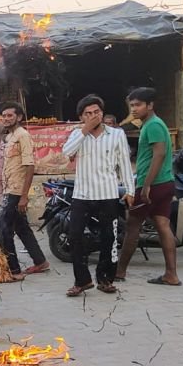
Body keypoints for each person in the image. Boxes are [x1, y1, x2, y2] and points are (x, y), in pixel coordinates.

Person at [61, 95, 135, 297]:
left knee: (109, 238)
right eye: (88, 114)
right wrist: (84, 130)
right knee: (74, 236)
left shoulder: (116, 134)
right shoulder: (77, 134)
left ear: (102, 113)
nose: (94, 116)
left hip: (108, 194)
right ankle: (82, 281)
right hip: (82, 195)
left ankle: (105, 279)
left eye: (97, 112)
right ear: (81, 117)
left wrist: (130, 190)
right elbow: (66, 151)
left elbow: (124, 164)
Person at [116, 87, 181, 286]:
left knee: (132, 225)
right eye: (132, 105)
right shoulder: (152, 124)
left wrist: (145, 186)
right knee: (162, 226)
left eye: (138, 105)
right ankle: (171, 274)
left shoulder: (153, 125)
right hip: (164, 183)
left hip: (152, 185)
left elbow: (159, 154)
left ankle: (119, 272)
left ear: (150, 105)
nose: (134, 109)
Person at [0, 102, 49, 281]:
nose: (6, 119)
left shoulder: (23, 136)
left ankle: (14, 271)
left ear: (19, 117)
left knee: (4, 228)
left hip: (16, 191)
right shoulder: (10, 137)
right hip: (9, 188)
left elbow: (29, 166)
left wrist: (24, 196)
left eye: (10, 115)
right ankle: (41, 261)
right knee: (21, 227)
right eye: (4, 115)